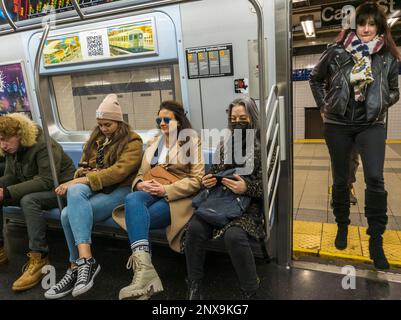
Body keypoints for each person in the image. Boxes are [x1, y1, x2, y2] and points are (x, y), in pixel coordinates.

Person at [310, 2, 400, 270]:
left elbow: (395, 89)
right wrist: (324, 108)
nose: (367, 29)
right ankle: (342, 226)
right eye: (362, 23)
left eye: (372, 24)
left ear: (379, 27)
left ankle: (376, 240)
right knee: (341, 179)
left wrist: (382, 102)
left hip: (371, 124)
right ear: (354, 25)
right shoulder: (337, 51)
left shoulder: (387, 56)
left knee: (375, 177)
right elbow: (315, 78)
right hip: (338, 125)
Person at [44, 94, 143, 299]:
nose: (103, 128)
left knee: (65, 215)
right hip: (97, 186)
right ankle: (84, 262)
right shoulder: (95, 139)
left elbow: (119, 172)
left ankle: (77, 265)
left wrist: (82, 180)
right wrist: (82, 174)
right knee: (74, 192)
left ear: (118, 121)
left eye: (107, 124)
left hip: (121, 189)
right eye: (100, 124)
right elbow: (82, 166)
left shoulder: (133, 141)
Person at [112, 100, 204, 300]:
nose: (162, 123)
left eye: (166, 119)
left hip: (176, 196)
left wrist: (166, 189)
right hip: (150, 189)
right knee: (132, 198)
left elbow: (197, 180)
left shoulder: (191, 141)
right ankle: (145, 274)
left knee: (137, 219)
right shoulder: (154, 143)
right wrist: (139, 185)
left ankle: (144, 277)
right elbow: (140, 174)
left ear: (178, 121)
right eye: (159, 119)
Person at [185, 96, 264, 299]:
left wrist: (246, 187)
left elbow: (267, 187)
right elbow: (215, 172)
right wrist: (207, 181)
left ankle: (250, 289)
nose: (237, 122)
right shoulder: (225, 143)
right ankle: (194, 283)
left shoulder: (264, 146)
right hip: (221, 199)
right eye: (234, 118)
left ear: (253, 119)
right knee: (194, 229)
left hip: (249, 205)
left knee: (234, 236)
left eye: (243, 118)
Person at [0, 113, 76, 291]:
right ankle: (1, 249)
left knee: (29, 200)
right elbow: (11, 175)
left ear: (19, 135)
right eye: (0, 140)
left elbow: (46, 180)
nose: (3, 145)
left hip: (62, 189)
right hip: (37, 187)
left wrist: (7, 192)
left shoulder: (43, 144)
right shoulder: (12, 149)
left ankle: (39, 256)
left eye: (5, 140)